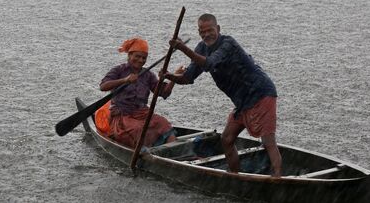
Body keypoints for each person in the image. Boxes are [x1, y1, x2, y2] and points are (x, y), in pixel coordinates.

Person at [162, 14, 282, 176]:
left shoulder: (228, 44)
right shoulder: (201, 48)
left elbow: (209, 63)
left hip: (261, 93)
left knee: (268, 141)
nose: (206, 35)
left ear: (218, 29)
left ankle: (278, 179)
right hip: (242, 102)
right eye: (202, 32)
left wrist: (183, 48)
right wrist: (169, 76)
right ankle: (234, 176)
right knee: (226, 139)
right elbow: (188, 78)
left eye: (210, 30)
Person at [99, 37, 178, 148]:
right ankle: (146, 154)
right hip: (123, 115)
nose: (140, 60)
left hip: (143, 114)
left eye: (144, 58)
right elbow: (103, 86)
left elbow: (163, 93)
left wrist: (172, 78)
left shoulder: (148, 75)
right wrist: (125, 80)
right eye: (137, 56)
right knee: (138, 129)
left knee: (164, 123)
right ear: (129, 55)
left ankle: (174, 152)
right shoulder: (118, 70)